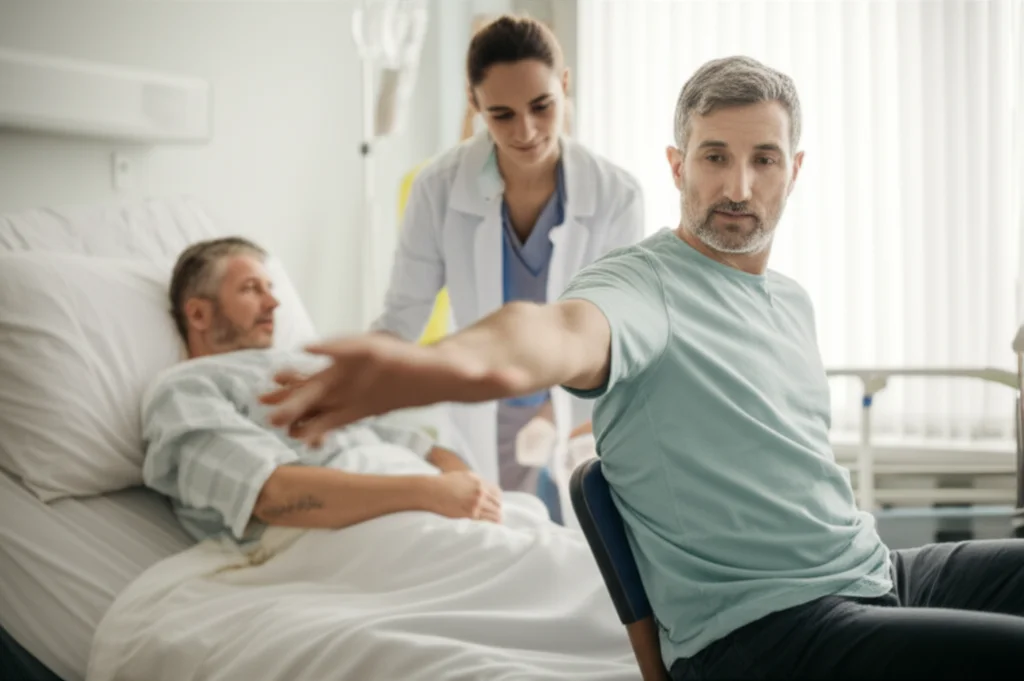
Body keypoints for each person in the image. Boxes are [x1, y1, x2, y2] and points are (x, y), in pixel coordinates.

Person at [261, 55, 1024, 679]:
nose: (737, 188)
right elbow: (552, 332)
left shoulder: (791, 300)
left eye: (762, 160)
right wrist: (431, 366)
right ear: (676, 164)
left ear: (794, 170)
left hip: (875, 570)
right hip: (769, 629)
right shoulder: (640, 284)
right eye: (714, 157)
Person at [371, 14, 645, 517]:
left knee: (586, 554)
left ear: (564, 85)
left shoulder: (615, 195)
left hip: (584, 412)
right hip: (482, 414)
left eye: (542, 106)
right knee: (501, 551)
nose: (526, 131)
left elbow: (620, 331)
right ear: (474, 104)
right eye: (501, 114)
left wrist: (585, 422)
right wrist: (350, 383)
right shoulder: (438, 188)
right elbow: (402, 316)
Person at [143, 237, 502, 546]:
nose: (273, 303)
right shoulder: (185, 389)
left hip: (420, 493)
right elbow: (270, 495)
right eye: (251, 288)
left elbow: (420, 445)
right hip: (331, 528)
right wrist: (428, 493)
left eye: (271, 288)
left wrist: (470, 487)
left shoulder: (301, 368)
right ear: (199, 315)